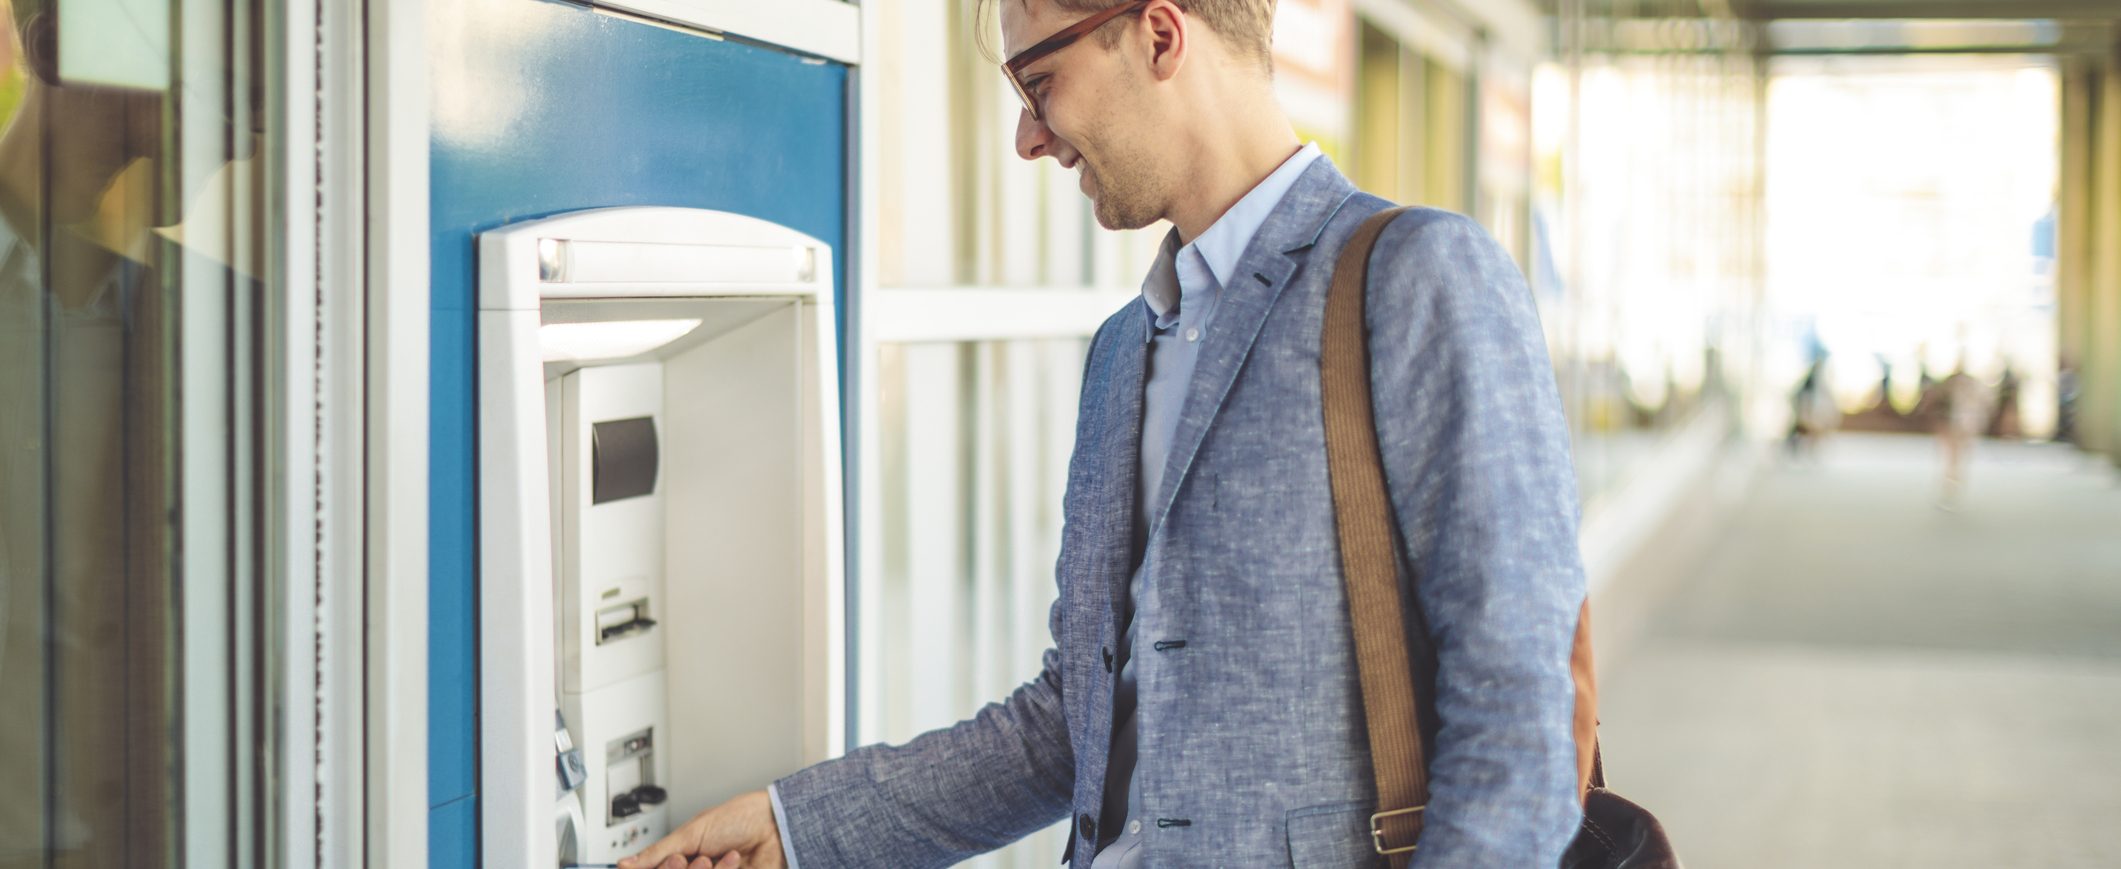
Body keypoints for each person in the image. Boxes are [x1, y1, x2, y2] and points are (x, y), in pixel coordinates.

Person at [623, 1, 1585, 866]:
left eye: (1037, 82)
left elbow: (1515, 716)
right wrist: (796, 826)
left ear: (1159, 35)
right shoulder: (1124, 350)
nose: (1027, 138)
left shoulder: (1416, 276)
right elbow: (1071, 727)